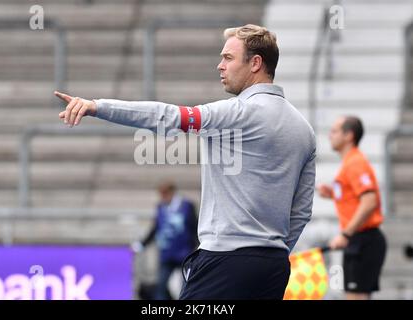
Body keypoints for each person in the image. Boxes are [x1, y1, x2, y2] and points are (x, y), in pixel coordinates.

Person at [55, 24, 316, 299]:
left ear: (255, 63)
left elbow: (166, 117)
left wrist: (98, 107)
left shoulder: (237, 113)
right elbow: (301, 212)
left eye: (228, 58)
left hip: (226, 260)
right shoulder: (304, 129)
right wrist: (273, 250)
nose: (220, 65)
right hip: (273, 266)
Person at [317, 116, 386, 300]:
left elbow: (369, 201)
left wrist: (346, 234)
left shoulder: (355, 163)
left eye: (334, 131)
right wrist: (333, 193)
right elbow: (358, 197)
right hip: (359, 240)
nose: (330, 136)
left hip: (363, 239)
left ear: (349, 135)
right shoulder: (350, 162)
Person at [131, 181, 198, 300]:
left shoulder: (187, 206)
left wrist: (197, 247)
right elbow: (156, 228)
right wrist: (142, 244)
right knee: (161, 286)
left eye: (164, 194)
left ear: (172, 192)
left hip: (185, 253)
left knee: (187, 286)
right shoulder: (161, 207)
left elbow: (194, 227)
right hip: (166, 254)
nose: (162, 197)